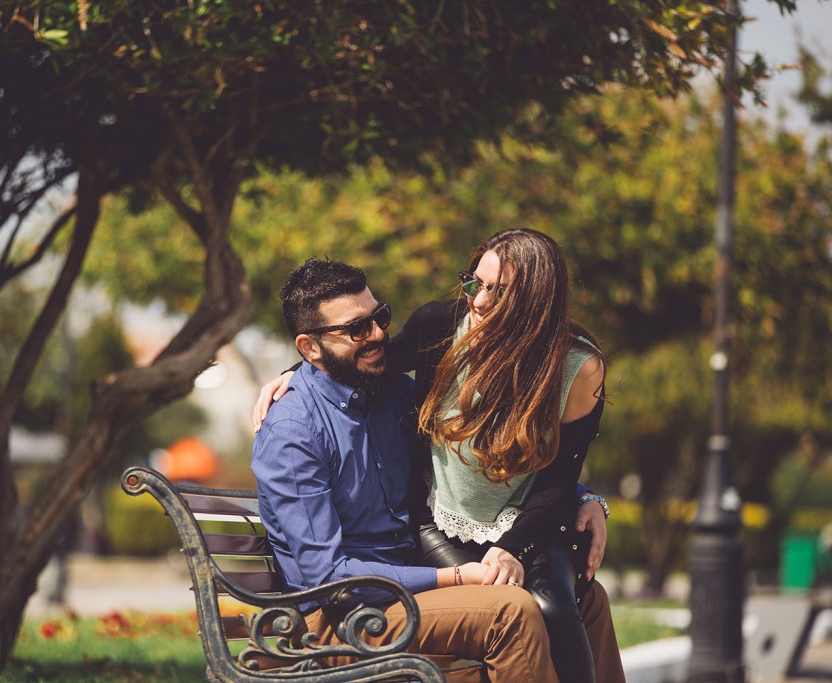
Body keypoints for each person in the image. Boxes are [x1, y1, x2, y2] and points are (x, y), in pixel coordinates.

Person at [255, 230, 624, 683]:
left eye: (380, 318)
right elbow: (327, 577)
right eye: (357, 329)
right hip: (347, 616)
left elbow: (480, 453)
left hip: (408, 584)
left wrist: (584, 496)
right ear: (310, 347)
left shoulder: (392, 395)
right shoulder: (295, 430)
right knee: (513, 610)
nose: (378, 337)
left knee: (589, 601)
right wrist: (455, 578)